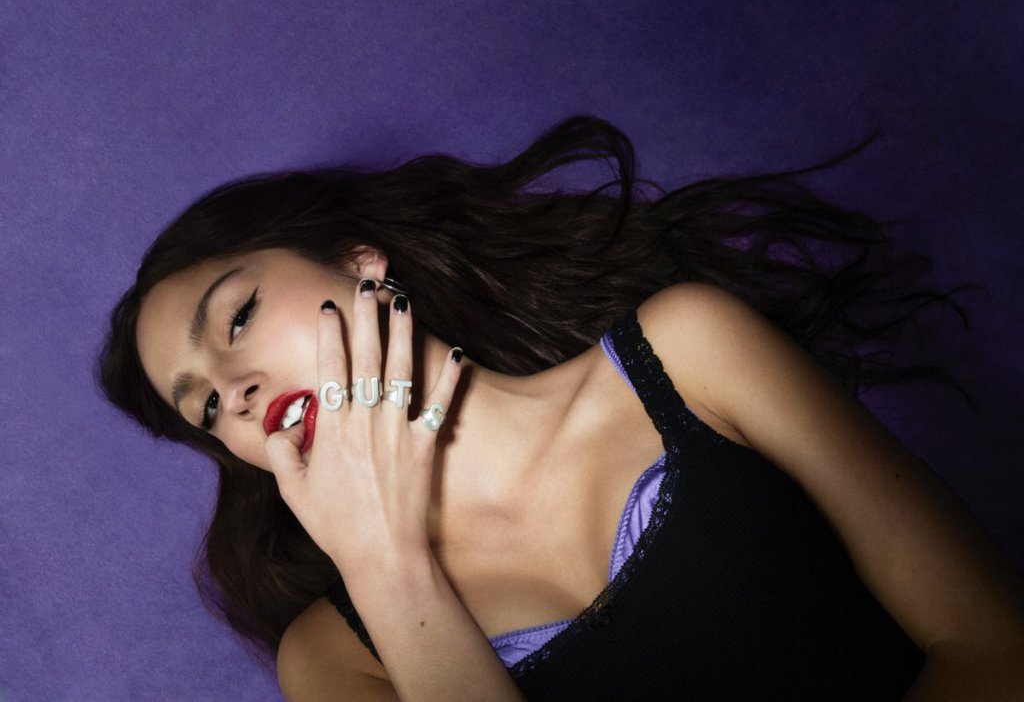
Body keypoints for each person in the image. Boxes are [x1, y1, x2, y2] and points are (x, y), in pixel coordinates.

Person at [99, 117, 1024, 701]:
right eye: (206, 405)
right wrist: (386, 565)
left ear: (360, 262)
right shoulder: (333, 659)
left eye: (239, 318)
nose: (237, 391)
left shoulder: (688, 352)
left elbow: (993, 644)